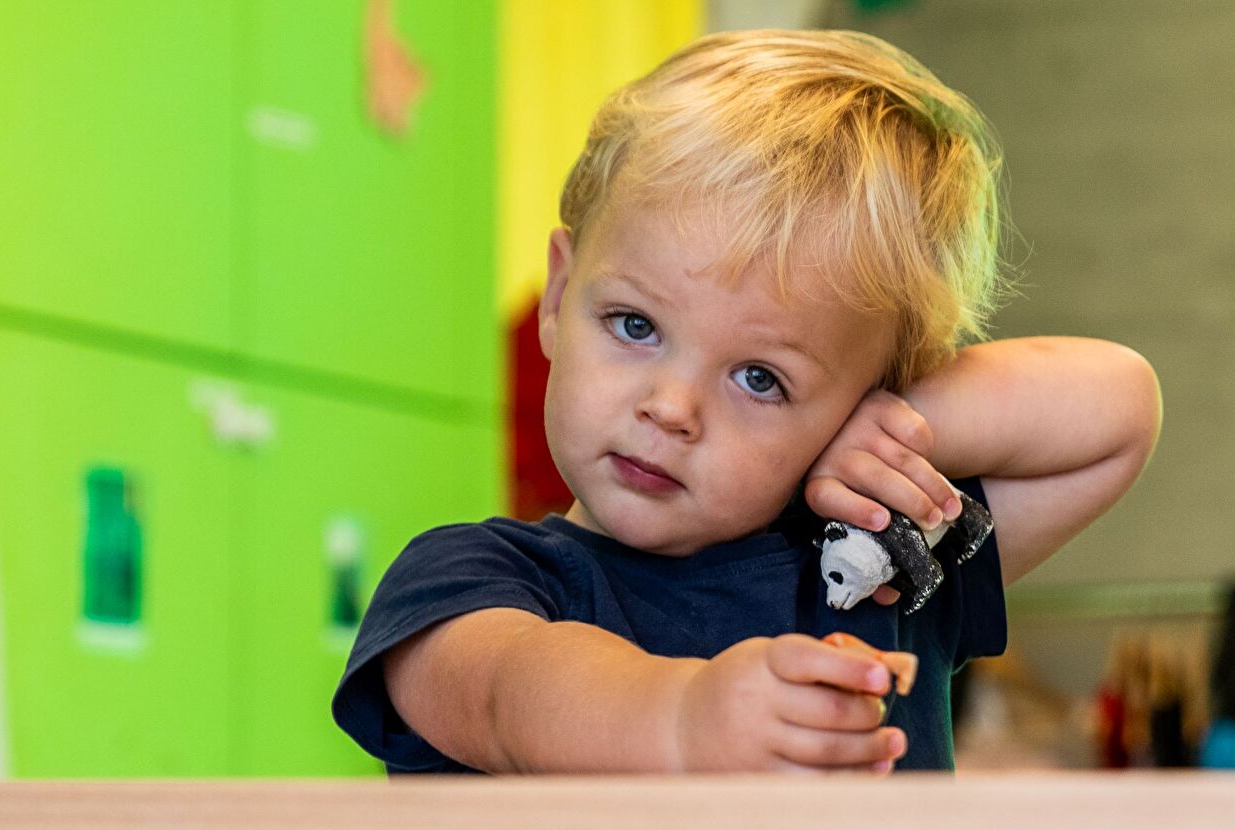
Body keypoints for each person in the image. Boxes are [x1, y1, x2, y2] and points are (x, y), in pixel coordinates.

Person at [332, 29, 1163, 775]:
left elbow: (1116, 407)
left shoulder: (877, 557)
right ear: (557, 296)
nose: (671, 406)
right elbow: (504, 696)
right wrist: (687, 723)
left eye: (760, 378)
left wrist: (891, 432)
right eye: (634, 324)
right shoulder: (467, 580)